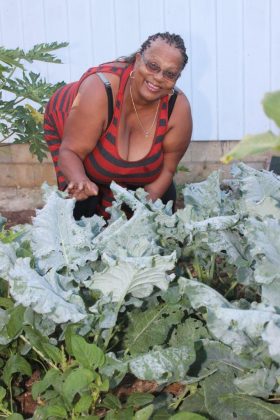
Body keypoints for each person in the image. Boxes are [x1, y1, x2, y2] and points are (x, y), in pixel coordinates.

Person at [44, 32, 192, 219]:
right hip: (68, 122)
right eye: (153, 66)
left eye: (169, 74)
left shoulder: (177, 109)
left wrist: (141, 212)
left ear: (177, 78)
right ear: (138, 60)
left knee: (163, 199)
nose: (158, 77)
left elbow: (168, 169)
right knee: (84, 202)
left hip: (113, 143)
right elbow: (70, 151)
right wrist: (79, 180)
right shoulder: (100, 90)